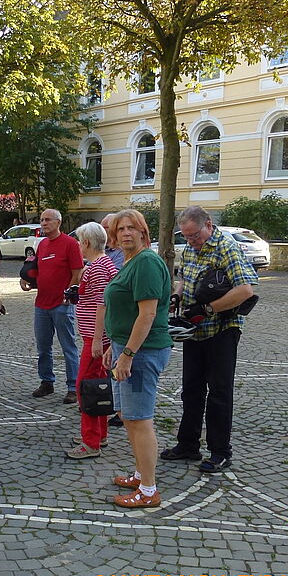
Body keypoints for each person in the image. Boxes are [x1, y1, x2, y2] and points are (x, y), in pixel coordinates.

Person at [160, 205, 258, 473]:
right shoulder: (191, 247)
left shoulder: (226, 247)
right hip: (195, 329)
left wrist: (209, 309)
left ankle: (220, 452)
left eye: (195, 236)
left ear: (209, 225)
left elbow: (246, 290)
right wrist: (178, 295)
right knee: (191, 389)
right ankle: (188, 444)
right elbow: (184, 278)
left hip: (222, 329)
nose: (192, 241)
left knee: (219, 392)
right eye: (187, 237)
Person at [101, 209, 173, 508]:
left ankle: (148, 490)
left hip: (142, 353)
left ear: (144, 232)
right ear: (114, 236)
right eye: (121, 229)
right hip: (125, 348)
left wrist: (127, 355)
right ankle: (141, 473)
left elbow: (147, 314)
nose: (126, 233)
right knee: (128, 417)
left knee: (140, 419)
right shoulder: (129, 261)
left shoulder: (146, 262)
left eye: (132, 228)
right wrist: (114, 347)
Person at [65, 222, 118, 459]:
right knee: (96, 384)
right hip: (95, 336)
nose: (77, 245)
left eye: (79, 241)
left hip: (95, 338)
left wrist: (97, 339)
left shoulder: (98, 268)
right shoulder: (100, 264)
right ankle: (100, 433)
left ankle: (91, 442)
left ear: (86, 243)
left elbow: (102, 305)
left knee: (84, 386)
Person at [21, 209, 83, 403]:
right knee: (43, 347)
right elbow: (38, 270)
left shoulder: (70, 244)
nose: (43, 223)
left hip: (62, 304)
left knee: (68, 347)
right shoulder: (42, 245)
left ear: (58, 222)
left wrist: (69, 294)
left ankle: (73, 387)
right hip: (42, 304)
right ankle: (47, 381)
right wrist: (27, 281)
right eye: (41, 220)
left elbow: (77, 272)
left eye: (47, 220)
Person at [99, 213, 124, 429]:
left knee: (119, 363)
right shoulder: (104, 252)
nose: (104, 233)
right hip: (108, 317)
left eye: (106, 228)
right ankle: (113, 402)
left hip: (119, 314)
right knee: (110, 361)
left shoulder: (121, 254)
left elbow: (113, 280)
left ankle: (121, 408)